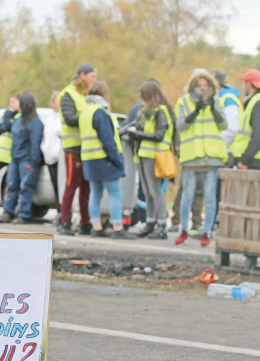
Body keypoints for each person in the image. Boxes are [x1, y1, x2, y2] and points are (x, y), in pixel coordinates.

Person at [174, 69, 227, 247]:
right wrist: (195, 112)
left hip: (212, 155)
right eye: (199, 86)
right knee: (187, 195)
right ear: (193, 86)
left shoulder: (217, 101)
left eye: (206, 86)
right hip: (191, 155)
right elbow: (180, 126)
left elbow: (223, 125)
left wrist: (213, 109)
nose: (203, 89)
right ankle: (183, 229)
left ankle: (207, 231)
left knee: (210, 196)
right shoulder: (184, 101)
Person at [78, 82, 134, 239]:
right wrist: (116, 160)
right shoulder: (100, 113)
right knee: (115, 193)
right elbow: (108, 140)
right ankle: (117, 227)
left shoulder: (85, 112)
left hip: (89, 160)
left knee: (95, 194)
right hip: (104, 159)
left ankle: (96, 227)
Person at [125, 81, 174, 239]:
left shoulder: (161, 112)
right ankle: (150, 222)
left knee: (155, 192)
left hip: (155, 155)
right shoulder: (146, 112)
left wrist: (137, 135)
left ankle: (161, 225)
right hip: (143, 155)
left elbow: (159, 135)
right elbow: (137, 126)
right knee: (147, 192)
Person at [58, 63, 96, 236]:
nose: (95, 79)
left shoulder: (86, 94)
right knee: (71, 185)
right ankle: (64, 221)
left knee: (86, 188)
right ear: (83, 75)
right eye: (93, 76)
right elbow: (70, 118)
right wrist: (88, 118)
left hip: (86, 147)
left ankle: (85, 222)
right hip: (73, 148)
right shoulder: (68, 94)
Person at [0, 92, 43, 225]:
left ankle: (23, 214)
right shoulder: (18, 120)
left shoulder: (36, 123)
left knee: (25, 187)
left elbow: (35, 144)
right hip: (15, 159)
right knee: (12, 185)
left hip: (27, 160)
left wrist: (34, 163)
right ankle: (8, 212)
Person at [233, 69, 260, 172]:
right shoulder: (259, 101)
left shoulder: (259, 102)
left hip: (254, 162)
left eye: (244, 83)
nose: (243, 86)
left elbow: (259, 136)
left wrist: (244, 160)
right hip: (256, 160)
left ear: (249, 84)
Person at [213, 69, 241, 156]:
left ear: (216, 82)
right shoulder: (222, 98)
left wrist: (216, 146)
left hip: (227, 151)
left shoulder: (228, 99)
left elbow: (232, 128)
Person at [44, 91, 63, 209]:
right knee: (56, 187)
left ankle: (64, 213)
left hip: (60, 157)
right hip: (49, 157)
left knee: (62, 187)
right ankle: (59, 211)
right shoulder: (49, 117)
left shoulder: (64, 116)